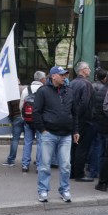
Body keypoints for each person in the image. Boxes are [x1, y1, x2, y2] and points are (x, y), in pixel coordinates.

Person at [33, 66, 79, 203]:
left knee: (65, 165)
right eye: (62, 75)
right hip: (49, 133)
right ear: (53, 76)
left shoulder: (69, 91)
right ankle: (43, 191)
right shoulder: (43, 91)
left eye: (65, 75)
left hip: (65, 135)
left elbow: (75, 113)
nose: (64, 77)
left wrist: (75, 131)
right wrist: (42, 130)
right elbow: (36, 112)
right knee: (44, 165)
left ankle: (64, 190)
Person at [70, 61, 95, 182]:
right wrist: (79, 115)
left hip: (73, 120)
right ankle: (79, 173)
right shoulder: (86, 84)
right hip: (83, 120)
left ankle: (72, 172)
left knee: (73, 147)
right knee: (82, 147)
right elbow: (85, 103)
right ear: (83, 70)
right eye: (88, 69)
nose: (90, 71)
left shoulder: (71, 83)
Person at [20, 71, 46, 173]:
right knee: (40, 143)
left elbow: (21, 105)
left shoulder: (26, 89)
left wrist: (24, 117)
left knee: (27, 142)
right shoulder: (45, 90)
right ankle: (39, 166)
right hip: (41, 121)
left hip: (28, 121)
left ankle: (25, 165)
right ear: (42, 79)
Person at [3, 82, 24, 168]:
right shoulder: (25, 90)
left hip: (16, 117)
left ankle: (11, 160)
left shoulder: (11, 93)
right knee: (28, 140)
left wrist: (11, 118)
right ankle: (26, 162)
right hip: (26, 117)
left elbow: (9, 109)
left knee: (15, 139)